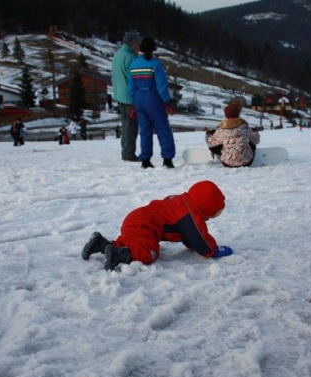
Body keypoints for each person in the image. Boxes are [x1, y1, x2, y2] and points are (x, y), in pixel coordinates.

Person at [82, 180, 233, 270]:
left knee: (131, 242)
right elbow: (198, 235)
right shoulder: (190, 214)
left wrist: (191, 244)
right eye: (211, 215)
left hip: (136, 219)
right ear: (205, 208)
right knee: (149, 253)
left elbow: (188, 233)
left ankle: (101, 244)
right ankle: (116, 254)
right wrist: (212, 251)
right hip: (143, 225)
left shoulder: (183, 202)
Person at [128, 37, 176, 169]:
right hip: (153, 97)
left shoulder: (133, 65)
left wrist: (133, 103)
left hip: (138, 98)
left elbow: (130, 87)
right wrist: (167, 101)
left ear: (140, 49)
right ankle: (167, 159)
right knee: (163, 129)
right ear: (153, 49)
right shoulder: (155, 64)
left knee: (145, 130)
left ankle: (145, 160)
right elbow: (161, 86)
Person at [112, 30, 141, 162]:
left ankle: (126, 150)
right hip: (130, 97)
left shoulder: (118, 54)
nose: (139, 44)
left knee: (126, 124)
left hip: (120, 95)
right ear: (133, 43)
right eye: (138, 42)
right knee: (131, 126)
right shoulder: (130, 57)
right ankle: (129, 153)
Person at [206, 103, 260, 167]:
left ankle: (221, 156)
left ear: (226, 115)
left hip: (227, 163)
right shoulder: (244, 126)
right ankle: (244, 155)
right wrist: (255, 132)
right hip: (247, 162)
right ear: (238, 114)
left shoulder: (221, 129)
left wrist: (208, 134)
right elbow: (256, 140)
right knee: (251, 143)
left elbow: (211, 143)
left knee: (216, 144)